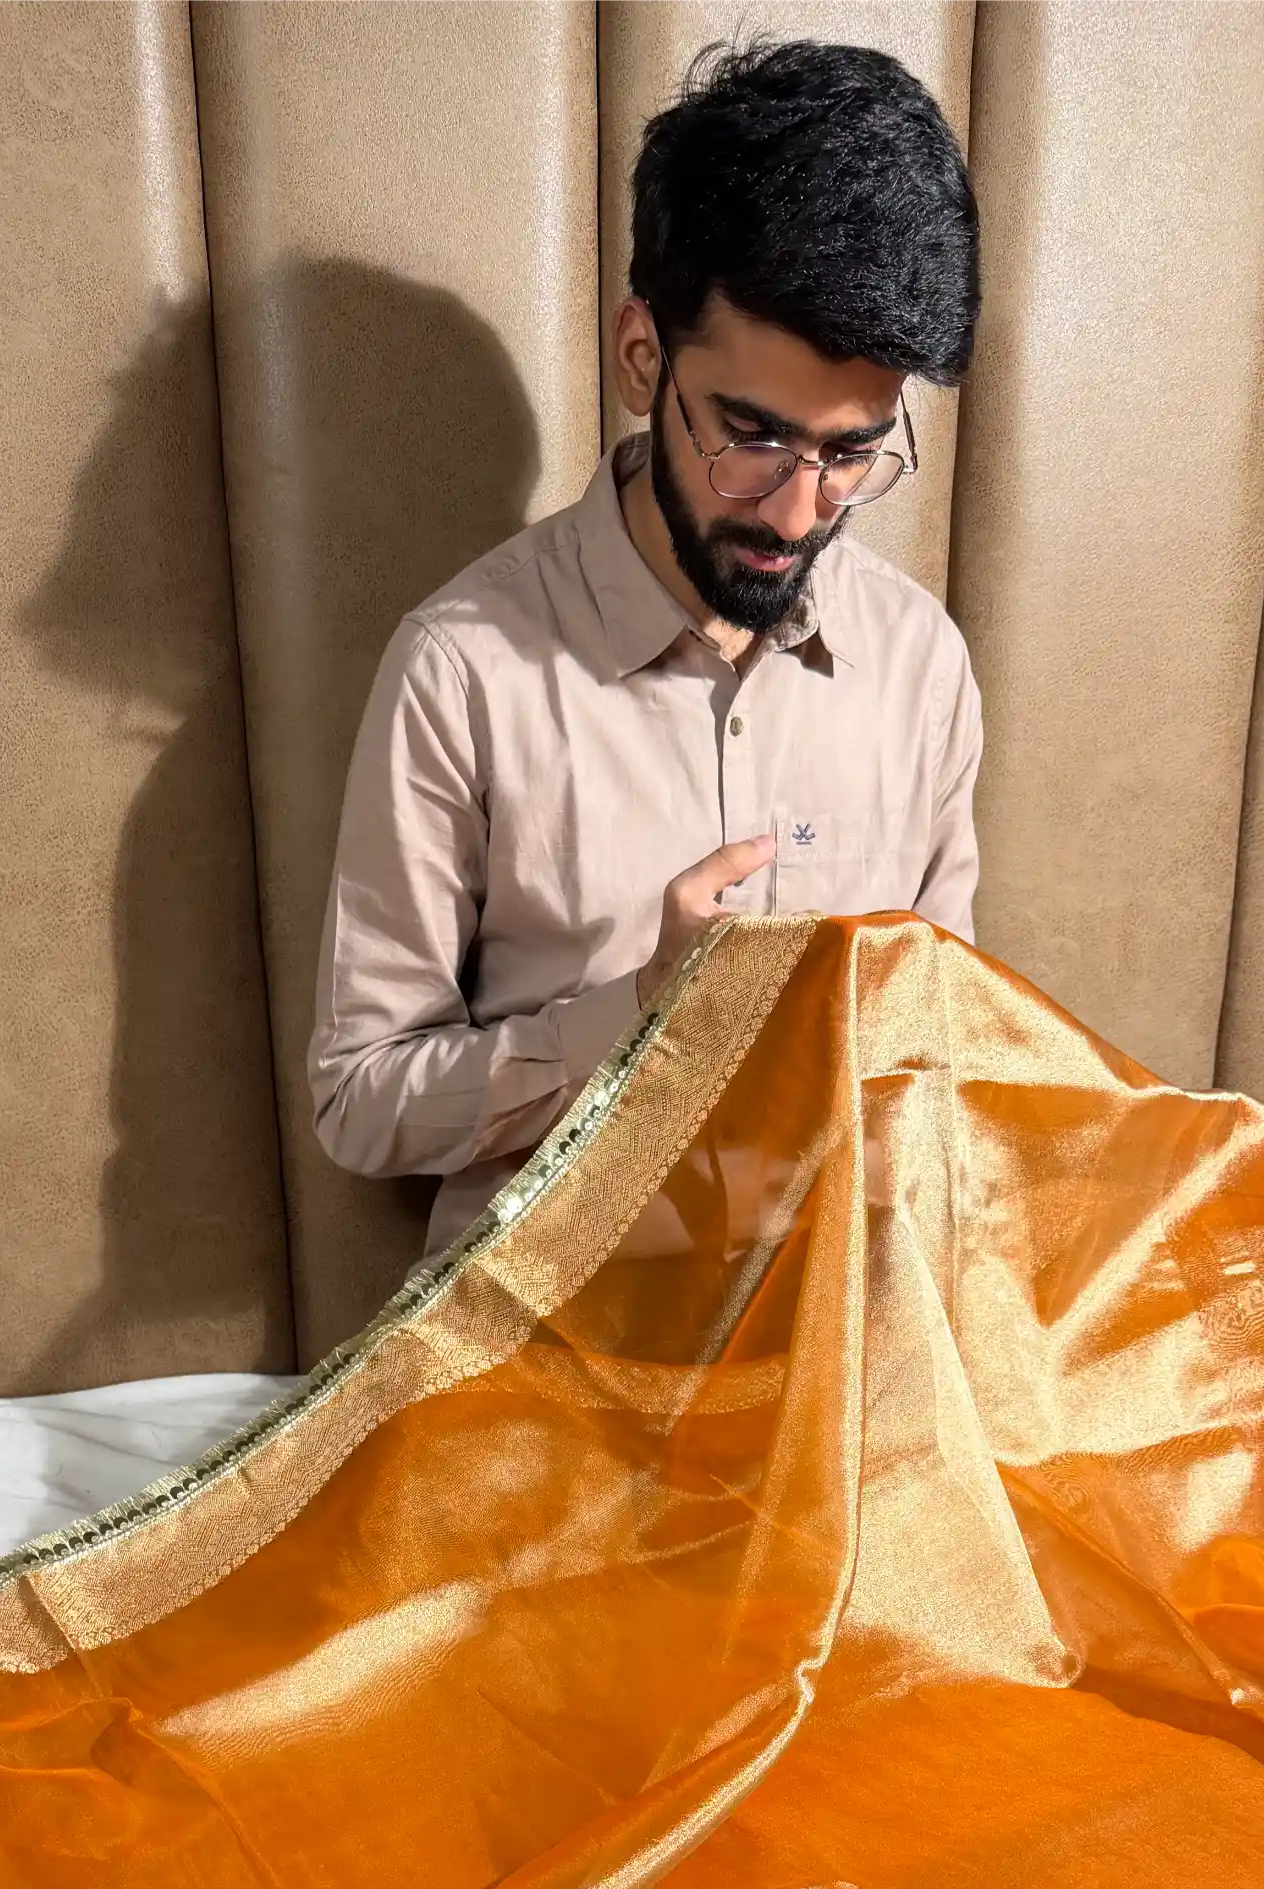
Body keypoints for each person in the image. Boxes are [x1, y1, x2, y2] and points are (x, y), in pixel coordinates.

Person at [309, 38, 985, 1249]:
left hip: (841, 1330)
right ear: (641, 356)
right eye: (752, 435)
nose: (796, 510)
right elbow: (360, 1104)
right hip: (561, 1350)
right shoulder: (460, 671)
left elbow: (942, 1052)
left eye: (849, 453)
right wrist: (638, 1014)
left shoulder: (919, 663)